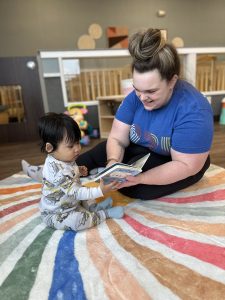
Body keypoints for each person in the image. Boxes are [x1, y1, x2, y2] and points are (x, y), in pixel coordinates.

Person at [23, 28, 213, 200]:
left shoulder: (194, 110)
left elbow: (185, 165)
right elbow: (117, 137)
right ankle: (51, 172)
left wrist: (141, 178)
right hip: (144, 148)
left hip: (179, 162)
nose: (142, 97)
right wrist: (113, 162)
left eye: (151, 92)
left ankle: (120, 175)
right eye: (137, 89)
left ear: (172, 81)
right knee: (102, 150)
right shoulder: (135, 97)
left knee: (135, 188)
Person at [27, 112, 124, 232]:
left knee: (85, 191)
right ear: (50, 148)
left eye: (78, 142)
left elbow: (69, 172)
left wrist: (77, 170)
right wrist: (101, 190)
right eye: (70, 146)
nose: (77, 149)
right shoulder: (57, 172)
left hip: (72, 201)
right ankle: (104, 214)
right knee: (77, 221)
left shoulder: (62, 157)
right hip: (57, 213)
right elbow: (76, 192)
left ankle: (94, 207)